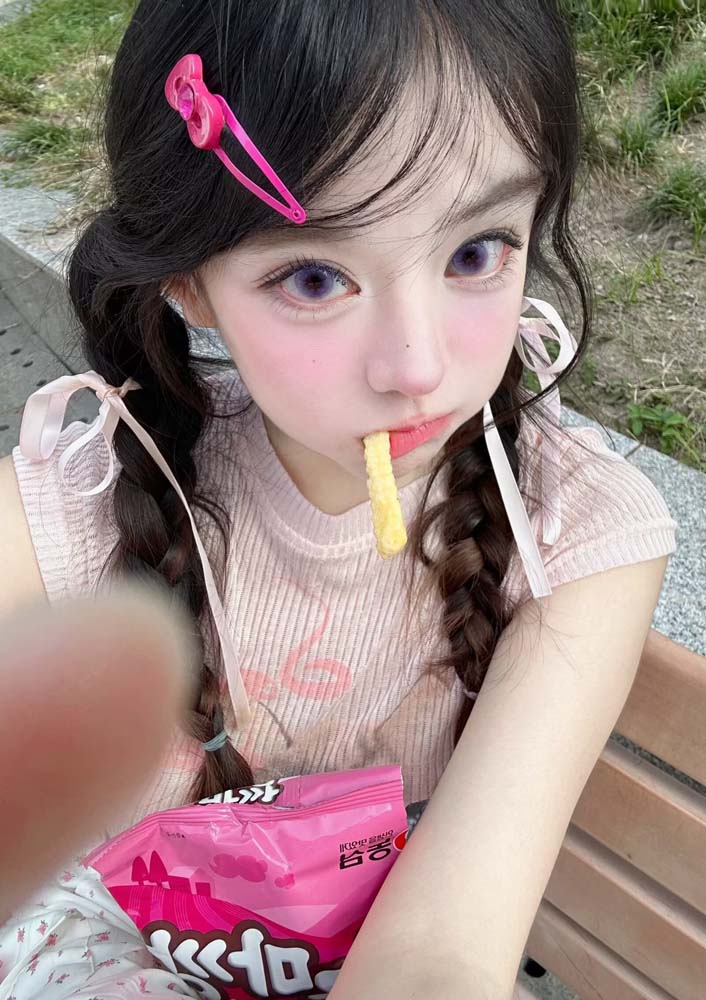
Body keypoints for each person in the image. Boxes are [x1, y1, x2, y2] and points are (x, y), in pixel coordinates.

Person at [0, 1, 679, 997]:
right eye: (316, 277)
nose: (417, 367)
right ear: (188, 284)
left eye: (476, 251)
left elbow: (442, 951)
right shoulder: (88, 493)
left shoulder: (576, 534)